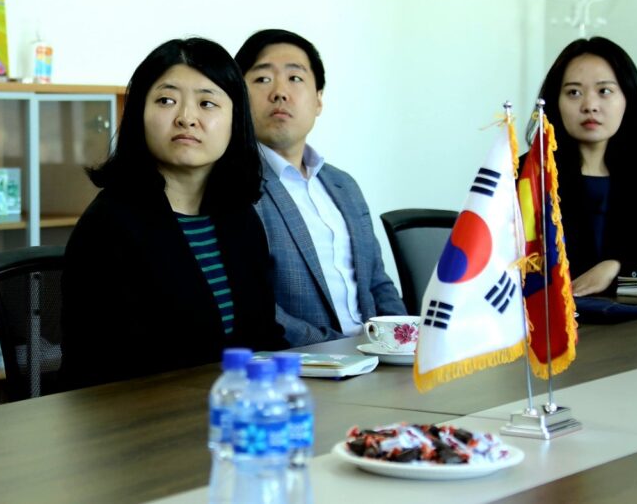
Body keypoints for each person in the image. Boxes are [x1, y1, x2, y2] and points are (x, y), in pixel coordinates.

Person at [59, 38, 286, 390]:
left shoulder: (239, 218)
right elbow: (106, 366)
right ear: (139, 114)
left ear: (235, 119)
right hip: (141, 414)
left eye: (207, 103)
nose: (186, 118)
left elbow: (263, 338)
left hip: (234, 409)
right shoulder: (109, 225)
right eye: (166, 100)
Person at [234, 30, 406, 347]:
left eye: (295, 78)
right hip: (305, 360)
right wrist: (336, 349)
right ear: (238, 97)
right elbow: (252, 303)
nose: (279, 92)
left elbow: (378, 282)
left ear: (318, 100)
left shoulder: (344, 185)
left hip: (376, 356)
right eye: (262, 79)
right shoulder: (234, 186)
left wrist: (403, 342)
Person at [529, 36, 637, 297]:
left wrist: (616, 266)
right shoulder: (529, 175)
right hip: (545, 318)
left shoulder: (636, 178)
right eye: (573, 92)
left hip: (625, 321)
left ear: (628, 99)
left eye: (604, 91)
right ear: (554, 102)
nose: (590, 106)